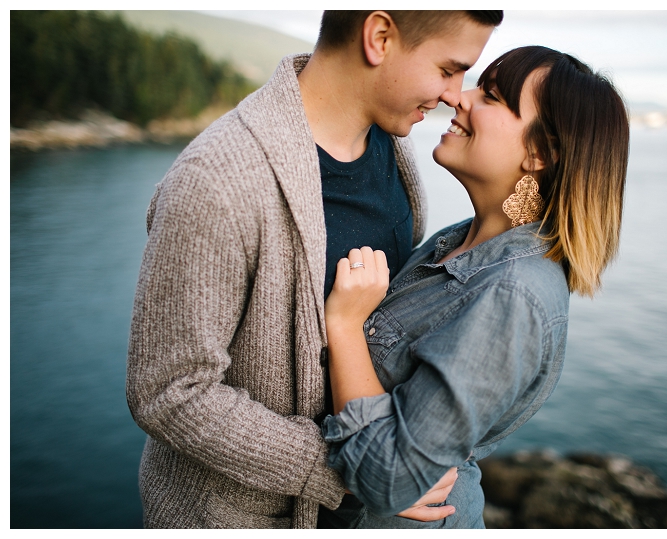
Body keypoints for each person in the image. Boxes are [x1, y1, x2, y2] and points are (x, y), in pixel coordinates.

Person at [125, 11, 502, 529]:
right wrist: (357, 468)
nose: (457, 94)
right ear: (380, 38)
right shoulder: (216, 180)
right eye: (448, 69)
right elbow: (168, 393)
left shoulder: (391, 146)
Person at [321, 45, 630, 528]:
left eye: (491, 96)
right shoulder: (456, 240)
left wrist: (343, 325)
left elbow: (390, 480)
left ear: (540, 152)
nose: (459, 97)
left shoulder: (514, 294)